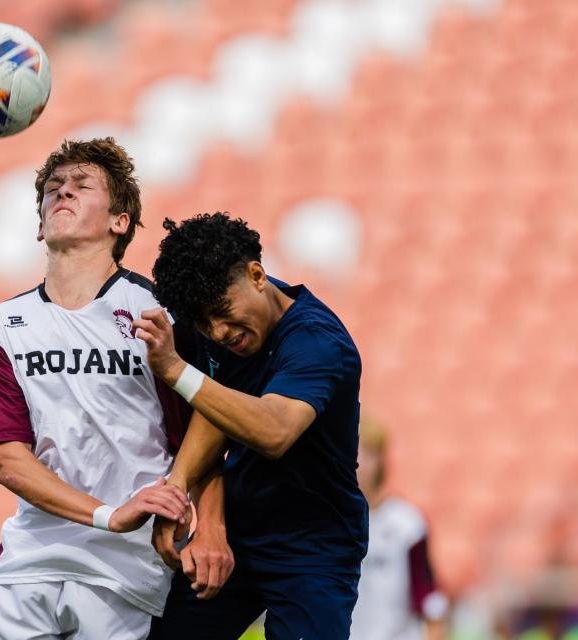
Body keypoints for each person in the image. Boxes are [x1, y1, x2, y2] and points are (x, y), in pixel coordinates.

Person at [0, 138, 196, 640]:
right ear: (40, 224)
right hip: (30, 560)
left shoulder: (155, 311)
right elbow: (9, 460)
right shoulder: (5, 323)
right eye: (52, 188)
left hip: (125, 569)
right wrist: (108, 515)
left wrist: (198, 518)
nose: (61, 193)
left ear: (120, 221)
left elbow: (199, 433)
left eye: (80, 185)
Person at [134, 212, 368, 640]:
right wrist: (178, 491)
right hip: (240, 534)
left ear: (257, 274)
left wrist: (175, 370)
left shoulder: (317, 340)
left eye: (222, 313)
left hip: (312, 546)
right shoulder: (217, 329)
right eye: (204, 323)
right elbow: (214, 406)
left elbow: (273, 433)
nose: (218, 332)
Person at [350, 417, 449, 640]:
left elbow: (429, 599)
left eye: (365, 454)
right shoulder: (330, 525)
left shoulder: (407, 524)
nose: (358, 464)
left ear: (379, 460)